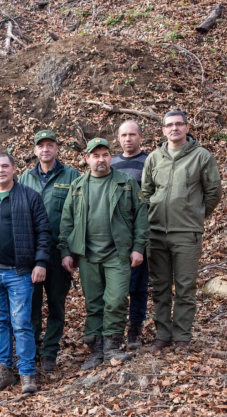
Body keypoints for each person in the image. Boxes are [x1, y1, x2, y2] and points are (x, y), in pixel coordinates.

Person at [59, 138, 149, 370]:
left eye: (105, 154)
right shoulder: (78, 186)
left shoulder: (126, 183)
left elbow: (141, 217)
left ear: (111, 157)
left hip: (118, 254)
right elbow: (67, 221)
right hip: (87, 255)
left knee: (117, 299)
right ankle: (96, 349)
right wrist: (66, 251)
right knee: (94, 303)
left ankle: (113, 345)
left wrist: (138, 247)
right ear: (87, 158)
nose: (101, 159)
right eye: (95, 155)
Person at [0, 152, 51, 395]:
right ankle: (4, 372)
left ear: (14, 169)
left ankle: (27, 374)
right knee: (0, 323)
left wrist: (40, 263)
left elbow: (43, 232)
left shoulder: (29, 196)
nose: (1, 170)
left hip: (19, 272)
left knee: (22, 323)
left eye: (5, 166)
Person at [141, 110, 222, 352]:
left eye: (179, 124)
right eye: (169, 125)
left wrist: (196, 214)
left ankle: (182, 337)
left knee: (185, 287)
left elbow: (213, 192)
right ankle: (163, 335)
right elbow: (145, 192)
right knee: (160, 287)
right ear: (163, 130)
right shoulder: (154, 158)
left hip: (187, 233)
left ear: (187, 127)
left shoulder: (202, 157)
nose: (174, 128)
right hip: (156, 233)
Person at [18, 130, 80, 373]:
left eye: (50, 145)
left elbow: (76, 215)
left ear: (56, 149)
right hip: (30, 255)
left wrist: (70, 251)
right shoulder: (24, 178)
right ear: (35, 150)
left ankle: (50, 353)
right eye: (40, 146)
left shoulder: (72, 175)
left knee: (56, 304)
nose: (45, 149)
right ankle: (31, 351)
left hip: (57, 252)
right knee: (30, 305)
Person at [111, 120, 149, 349]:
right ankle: (114, 329)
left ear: (140, 137)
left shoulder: (149, 162)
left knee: (138, 284)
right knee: (117, 286)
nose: (128, 139)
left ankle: (135, 327)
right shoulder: (111, 162)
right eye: (124, 135)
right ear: (118, 138)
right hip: (115, 237)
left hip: (139, 232)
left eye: (132, 135)